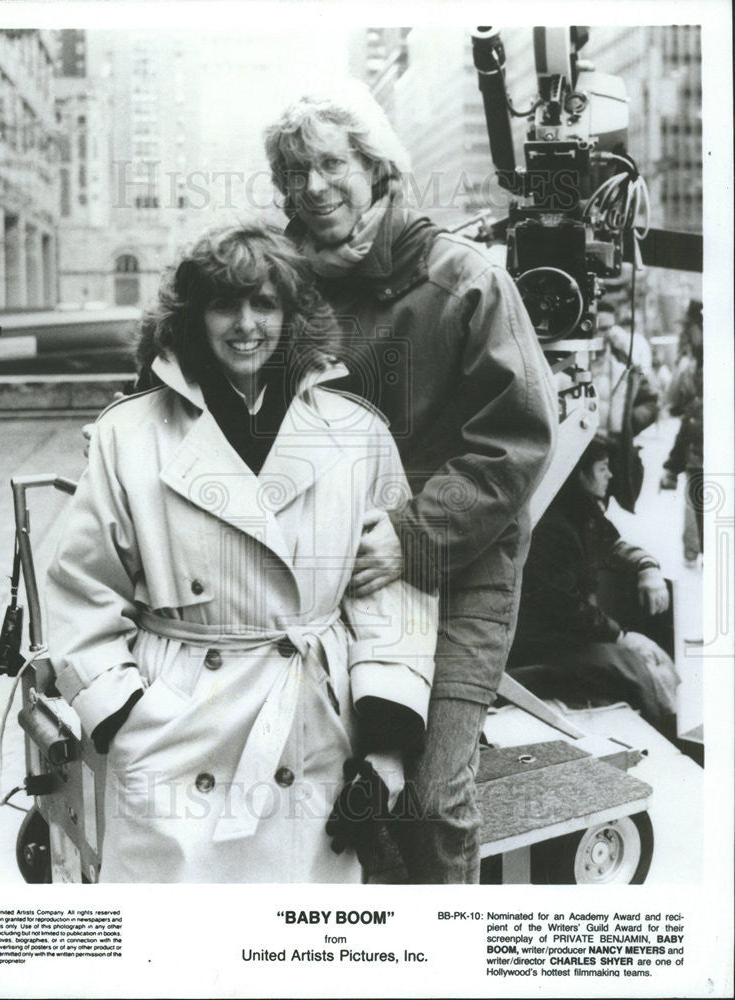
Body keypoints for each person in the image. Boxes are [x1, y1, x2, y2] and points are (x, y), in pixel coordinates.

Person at [46, 223, 437, 883]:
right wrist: (121, 716)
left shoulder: (356, 432)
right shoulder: (129, 434)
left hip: (311, 729)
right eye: (225, 305)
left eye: (266, 304)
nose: (246, 324)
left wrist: (388, 750)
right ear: (194, 317)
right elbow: (81, 588)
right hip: (175, 737)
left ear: (293, 315)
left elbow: (389, 595)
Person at [263, 82, 557, 883]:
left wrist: (412, 537)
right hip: (337, 563)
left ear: (377, 165)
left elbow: (517, 440)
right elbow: (217, 363)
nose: (311, 188)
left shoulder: (465, 281)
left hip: (462, 563)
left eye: (330, 163)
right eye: (293, 173)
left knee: (430, 796)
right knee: (331, 782)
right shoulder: (285, 288)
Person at [507, 437, 680, 733]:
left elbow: (613, 546)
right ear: (579, 473)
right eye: (602, 469)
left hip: (568, 635)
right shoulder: (554, 527)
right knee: (642, 669)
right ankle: (660, 731)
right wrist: (621, 636)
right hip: (543, 644)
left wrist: (647, 567)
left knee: (653, 663)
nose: (609, 476)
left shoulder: (580, 513)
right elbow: (564, 607)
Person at [590, 300, 659, 512]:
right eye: (602, 328)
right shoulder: (574, 359)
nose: (607, 334)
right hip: (579, 452)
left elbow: (651, 401)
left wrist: (629, 421)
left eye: (611, 327)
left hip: (612, 453)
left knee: (600, 512)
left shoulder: (626, 363)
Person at [659, 300, 703, 565]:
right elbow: (681, 411)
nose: (688, 334)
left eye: (691, 328)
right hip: (696, 459)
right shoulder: (692, 364)